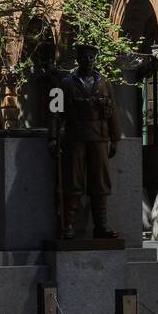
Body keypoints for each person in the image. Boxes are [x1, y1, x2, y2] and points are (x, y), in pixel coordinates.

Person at [50, 44, 121, 239]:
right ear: (78, 58)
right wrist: (53, 138)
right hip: (75, 137)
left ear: (95, 59)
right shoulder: (64, 83)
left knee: (100, 182)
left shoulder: (105, 83)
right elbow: (55, 113)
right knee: (73, 181)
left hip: (99, 137)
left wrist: (115, 138)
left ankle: (101, 224)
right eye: (84, 56)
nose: (87, 60)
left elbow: (113, 112)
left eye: (91, 57)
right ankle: (69, 225)